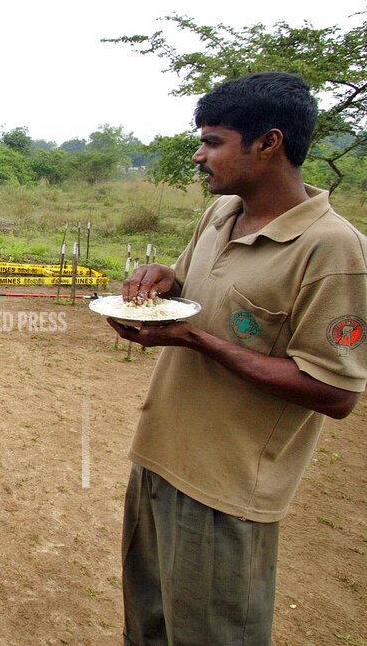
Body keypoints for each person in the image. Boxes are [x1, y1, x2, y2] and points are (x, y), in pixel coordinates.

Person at [108, 72, 366, 644]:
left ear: (269, 143)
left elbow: (336, 392)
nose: (200, 156)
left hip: (225, 490)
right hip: (157, 458)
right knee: (146, 629)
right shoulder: (221, 214)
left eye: (214, 141)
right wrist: (164, 281)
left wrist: (197, 340)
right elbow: (196, 291)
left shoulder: (333, 248)